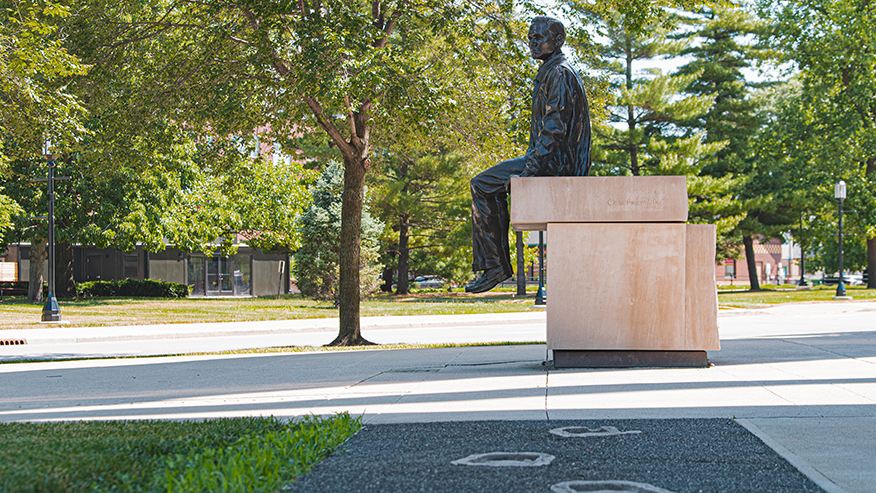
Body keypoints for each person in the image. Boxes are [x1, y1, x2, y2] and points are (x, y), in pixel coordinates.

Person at [466, 16, 592, 293]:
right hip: (552, 160)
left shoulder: (559, 73)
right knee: (487, 184)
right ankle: (496, 265)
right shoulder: (552, 70)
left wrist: (529, 171)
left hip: (557, 165)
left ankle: (495, 266)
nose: (533, 43)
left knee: (482, 184)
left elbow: (554, 129)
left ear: (558, 41)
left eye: (539, 38)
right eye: (530, 38)